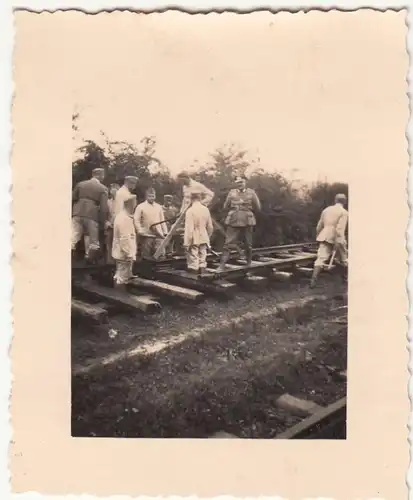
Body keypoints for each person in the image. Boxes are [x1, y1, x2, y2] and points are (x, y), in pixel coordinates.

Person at [217, 175, 261, 271]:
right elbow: (225, 206)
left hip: (247, 220)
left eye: (241, 182)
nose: (239, 184)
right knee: (228, 244)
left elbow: (258, 207)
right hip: (234, 219)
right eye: (237, 183)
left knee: (248, 244)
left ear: (245, 182)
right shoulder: (231, 193)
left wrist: (248, 210)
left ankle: (249, 262)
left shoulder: (252, 193)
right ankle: (222, 265)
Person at [310, 193, 348, 288]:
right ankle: (345, 278)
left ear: (335, 200)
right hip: (337, 237)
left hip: (324, 235)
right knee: (344, 258)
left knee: (321, 258)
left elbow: (319, 225)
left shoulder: (326, 210)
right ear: (345, 202)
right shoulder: (344, 212)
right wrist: (338, 241)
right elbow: (340, 228)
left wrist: (318, 235)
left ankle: (313, 279)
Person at [71, 168, 109, 263]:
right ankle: (89, 258)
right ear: (100, 175)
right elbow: (104, 208)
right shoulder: (103, 188)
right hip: (92, 214)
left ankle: (67, 255)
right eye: (103, 175)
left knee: (74, 236)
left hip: (77, 212)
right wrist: (103, 220)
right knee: (92, 238)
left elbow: (73, 198)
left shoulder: (80, 184)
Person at [184, 191, 214, 275]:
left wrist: (187, 242)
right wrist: (207, 236)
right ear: (200, 198)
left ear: (191, 199)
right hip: (204, 235)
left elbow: (189, 229)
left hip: (194, 236)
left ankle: (193, 274)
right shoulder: (205, 209)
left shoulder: (190, 211)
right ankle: (202, 270)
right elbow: (210, 226)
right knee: (203, 254)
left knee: (193, 256)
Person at [112, 194, 138, 290]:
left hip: (121, 252)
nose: (135, 206)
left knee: (119, 274)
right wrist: (129, 253)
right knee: (121, 277)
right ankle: (119, 297)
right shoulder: (124, 218)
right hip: (124, 253)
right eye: (134, 204)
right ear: (130, 204)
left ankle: (118, 296)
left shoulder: (122, 216)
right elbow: (125, 238)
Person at [134, 188, 168, 259]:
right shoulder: (140, 207)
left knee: (160, 253)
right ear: (146, 196)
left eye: (153, 196)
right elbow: (136, 220)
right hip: (147, 234)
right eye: (149, 196)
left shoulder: (159, 207)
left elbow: (162, 220)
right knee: (146, 254)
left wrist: (165, 232)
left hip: (159, 234)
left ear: (155, 196)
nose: (151, 198)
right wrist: (140, 230)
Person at [104, 183, 120, 263]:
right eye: (112, 190)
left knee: (119, 246)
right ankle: (110, 264)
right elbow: (104, 215)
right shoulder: (107, 202)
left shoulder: (122, 203)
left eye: (116, 190)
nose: (113, 192)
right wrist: (107, 223)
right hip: (110, 227)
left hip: (120, 228)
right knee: (109, 246)